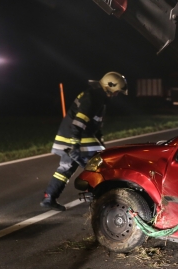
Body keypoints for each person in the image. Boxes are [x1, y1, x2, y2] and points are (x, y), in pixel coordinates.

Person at [40, 72, 128, 211]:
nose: (117, 94)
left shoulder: (97, 96)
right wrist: (74, 145)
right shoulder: (95, 97)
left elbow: (95, 125)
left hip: (71, 136)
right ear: (109, 86)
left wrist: (99, 141)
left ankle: (49, 198)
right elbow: (79, 122)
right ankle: (101, 201)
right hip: (78, 138)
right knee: (97, 166)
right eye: (117, 91)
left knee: (65, 169)